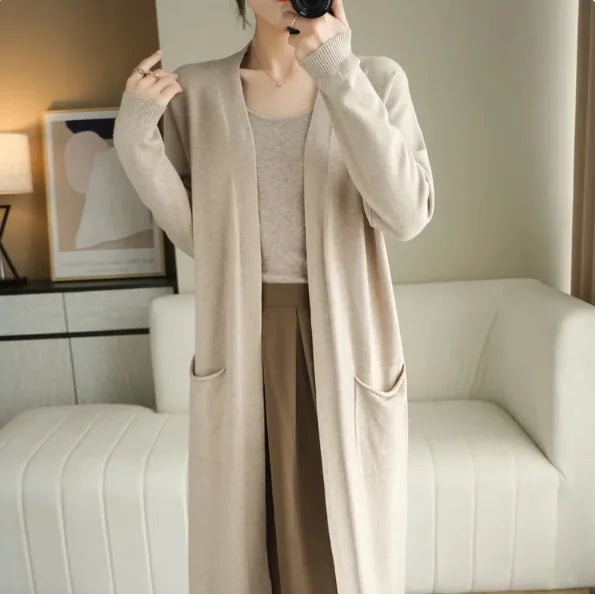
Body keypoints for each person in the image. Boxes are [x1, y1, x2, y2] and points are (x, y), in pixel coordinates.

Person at [113, 0, 435, 592]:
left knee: (343, 550)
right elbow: (200, 237)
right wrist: (135, 139)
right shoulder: (200, 92)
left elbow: (407, 214)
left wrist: (338, 70)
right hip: (243, 337)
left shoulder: (374, 78)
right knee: (251, 546)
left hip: (345, 340)